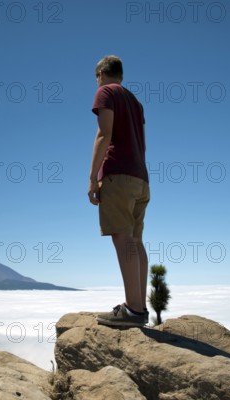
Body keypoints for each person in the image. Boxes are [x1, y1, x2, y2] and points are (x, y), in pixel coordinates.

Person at [87, 55, 150, 327]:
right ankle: (140, 307)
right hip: (140, 178)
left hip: (118, 176)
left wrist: (92, 178)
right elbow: (143, 144)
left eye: (96, 77)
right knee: (135, 240)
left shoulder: (105, 92)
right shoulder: (136, 103)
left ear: (101, 73)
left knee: (122, 238)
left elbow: (104, 134)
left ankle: (133, 311)